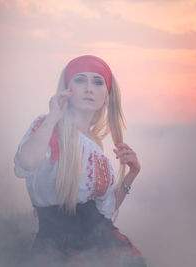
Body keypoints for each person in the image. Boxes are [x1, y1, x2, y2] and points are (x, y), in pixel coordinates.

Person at [13, 55, 147, 266]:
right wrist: (53, 117)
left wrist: (132, 174)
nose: (88, 88)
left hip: (104, 245)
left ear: (106, 96)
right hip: (56, 249)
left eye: (97, 82)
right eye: (80, 80)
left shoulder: (98, 149)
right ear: (67, 90)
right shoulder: (47, 125)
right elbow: (26, 164)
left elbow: (106, 211)